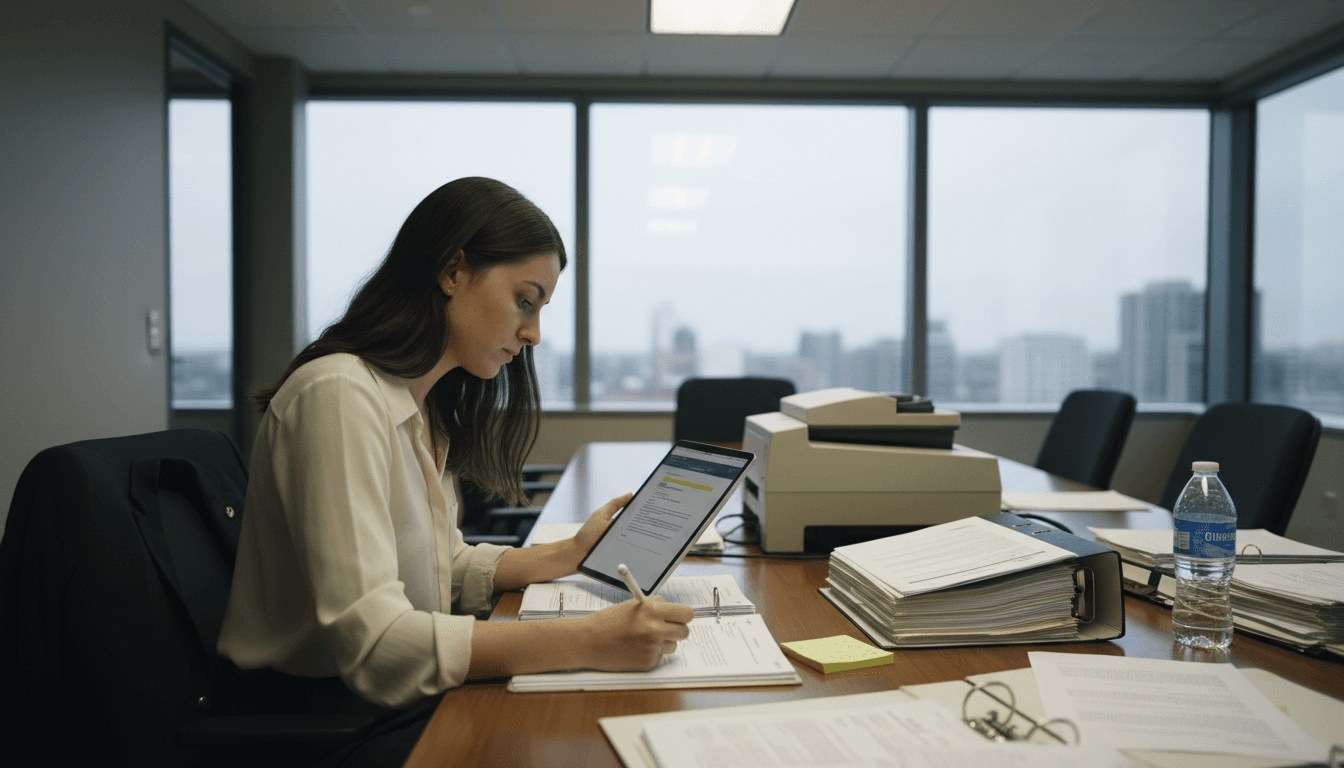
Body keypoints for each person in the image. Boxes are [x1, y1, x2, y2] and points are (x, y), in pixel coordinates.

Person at [217, 177, 693, 765]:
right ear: (452, 272)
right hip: (330, 723)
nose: (534, 334)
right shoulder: (339, 395)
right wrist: (589, 639)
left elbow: (436, 567)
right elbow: (378, 644)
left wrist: (567, 554)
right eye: (525, 300)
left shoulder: (419, 406)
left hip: (385, 703)